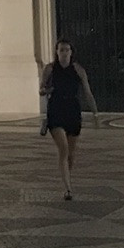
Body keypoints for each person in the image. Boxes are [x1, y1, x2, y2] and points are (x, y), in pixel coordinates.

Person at [40, 40, 101, 200]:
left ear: (71, 52)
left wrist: (95, 114)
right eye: (61, 50)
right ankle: (68, 188)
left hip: (72, 110)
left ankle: (67, 177)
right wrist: (47, 90)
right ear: (57, 52)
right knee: (64, 149)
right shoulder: (50, 69)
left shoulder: (78, 70)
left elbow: (88, 93)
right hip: (56, 110)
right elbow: (41, 89)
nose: (64, 53)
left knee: (71, 154)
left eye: (67, 50)